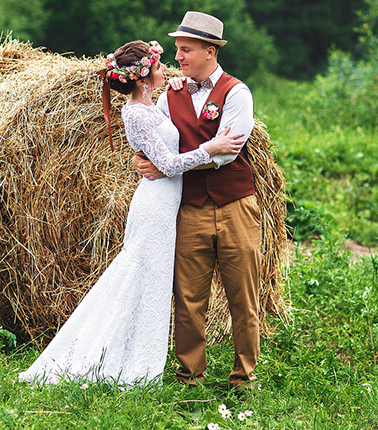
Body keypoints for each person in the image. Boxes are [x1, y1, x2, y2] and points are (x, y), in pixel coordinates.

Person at [18, 40, 245, 387]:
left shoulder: (151, 105)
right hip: (155, 206)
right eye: (157, 64)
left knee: (151, 286)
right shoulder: (136, 112)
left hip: (168, 204)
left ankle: (137, 359)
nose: (166, 66)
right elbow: (168, 164)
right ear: (142, 78)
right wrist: (209, 148)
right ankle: (134, 366)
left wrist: (171, 90)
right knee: (145, 282)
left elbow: (163, 147)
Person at [133, 12, 263, 391]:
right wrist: (148, 159)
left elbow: (227, 152)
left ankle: (244, 378)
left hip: (236, 205)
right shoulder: (170, 95)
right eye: (177, 50)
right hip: (189, 208)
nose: (179, 58)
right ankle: (191, 376)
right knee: (188, 298)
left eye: (186, 50)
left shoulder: (237, 93)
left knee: (243, 295)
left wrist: (170, 166)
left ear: (211, 51)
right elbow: (153, 142)